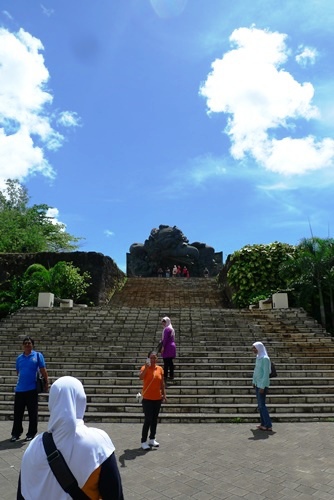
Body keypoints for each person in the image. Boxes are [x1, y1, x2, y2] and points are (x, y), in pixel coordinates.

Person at [17, 376, 124, 500]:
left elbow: (22, 494)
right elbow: (114, 495)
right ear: (81, 400)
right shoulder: (99, 444)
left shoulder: (33, 446)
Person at [10, 337, 49, 443]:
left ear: (32, 345)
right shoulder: (19, 358)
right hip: (20, 390)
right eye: (25, 343)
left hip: (32, 389)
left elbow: (43, 370)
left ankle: (31, 433)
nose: (27, 345)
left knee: (32, 413)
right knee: (18, 413)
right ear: (23, 345)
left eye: (29, 343)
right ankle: (16, 433)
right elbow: (18, 372)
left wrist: (46, 382)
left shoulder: (37, 356)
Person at [139, 350, 166, 450]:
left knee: (154, 419)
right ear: (148, 359)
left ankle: (152, 438)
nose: (153, 359)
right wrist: (146, 368)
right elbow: (140, 377)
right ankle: (143, 441)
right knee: (148, 419)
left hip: (157, 398)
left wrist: (164, 394)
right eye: (151, 357)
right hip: (147, 398)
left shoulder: (160, 369)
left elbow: (162, 383)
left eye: (155, 357)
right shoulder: (144, 367)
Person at [252, 341, 273, 431]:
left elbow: (265, 374)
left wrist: (262, 386)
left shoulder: (265, 359)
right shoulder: (258, 357)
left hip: (262, 385)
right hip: (257, 383)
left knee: (262, 405)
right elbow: (256, 371)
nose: (253, 350)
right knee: (260, 405)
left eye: (254, 348)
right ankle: (263, 423)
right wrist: (254, 381)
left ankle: (268, 424)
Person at [160, 316, 176, 383]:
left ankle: (165, 376)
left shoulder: (167, 329)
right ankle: (171, 375)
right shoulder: (171, 329)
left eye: (164, 322)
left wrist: (163, 347)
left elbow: (165, 339)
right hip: (171, 346)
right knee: (170, 362)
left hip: (167, 346)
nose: (163, 323)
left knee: (166, 362)